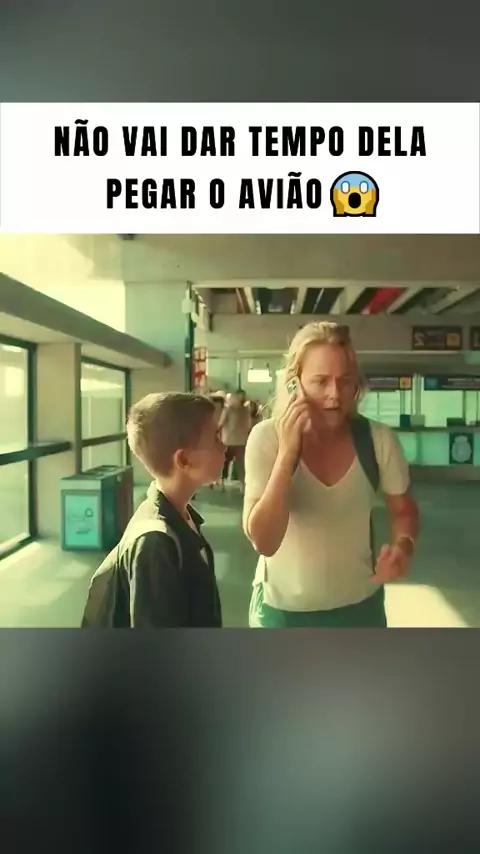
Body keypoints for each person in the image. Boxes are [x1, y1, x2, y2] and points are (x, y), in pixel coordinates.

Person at [243, 321, 419, 628]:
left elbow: (403, 509)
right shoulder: (266, 439)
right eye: (321, 381)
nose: (335, 395)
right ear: (294, 384)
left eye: (345, 381)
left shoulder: (378, 440)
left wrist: (404, 546)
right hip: (282, 611)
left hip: (360, 608)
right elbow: (264, 541)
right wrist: (287, 454)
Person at [81, 392, 225, 628]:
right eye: (216, 437)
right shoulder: (155, 543)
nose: (224, 445)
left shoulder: (181, 516)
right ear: (184, 460)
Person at [219, 388, 252, 491]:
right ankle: (225, 482)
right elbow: (249, 425)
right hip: (231, 441)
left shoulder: (244, 410)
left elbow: (220, 423)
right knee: (231, 463)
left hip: (236, 441)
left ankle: (236, 483)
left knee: (234, 463)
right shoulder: (232, 410)